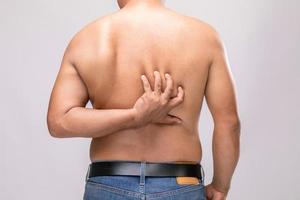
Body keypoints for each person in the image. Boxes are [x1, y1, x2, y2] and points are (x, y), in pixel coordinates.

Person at [46, 0, 241, 199]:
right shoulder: (204, 37)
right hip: (181, 184)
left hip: (108, 183)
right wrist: (220, 186)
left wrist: (133, 117)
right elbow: (229, 123)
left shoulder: (86, 39)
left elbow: (59, 121)